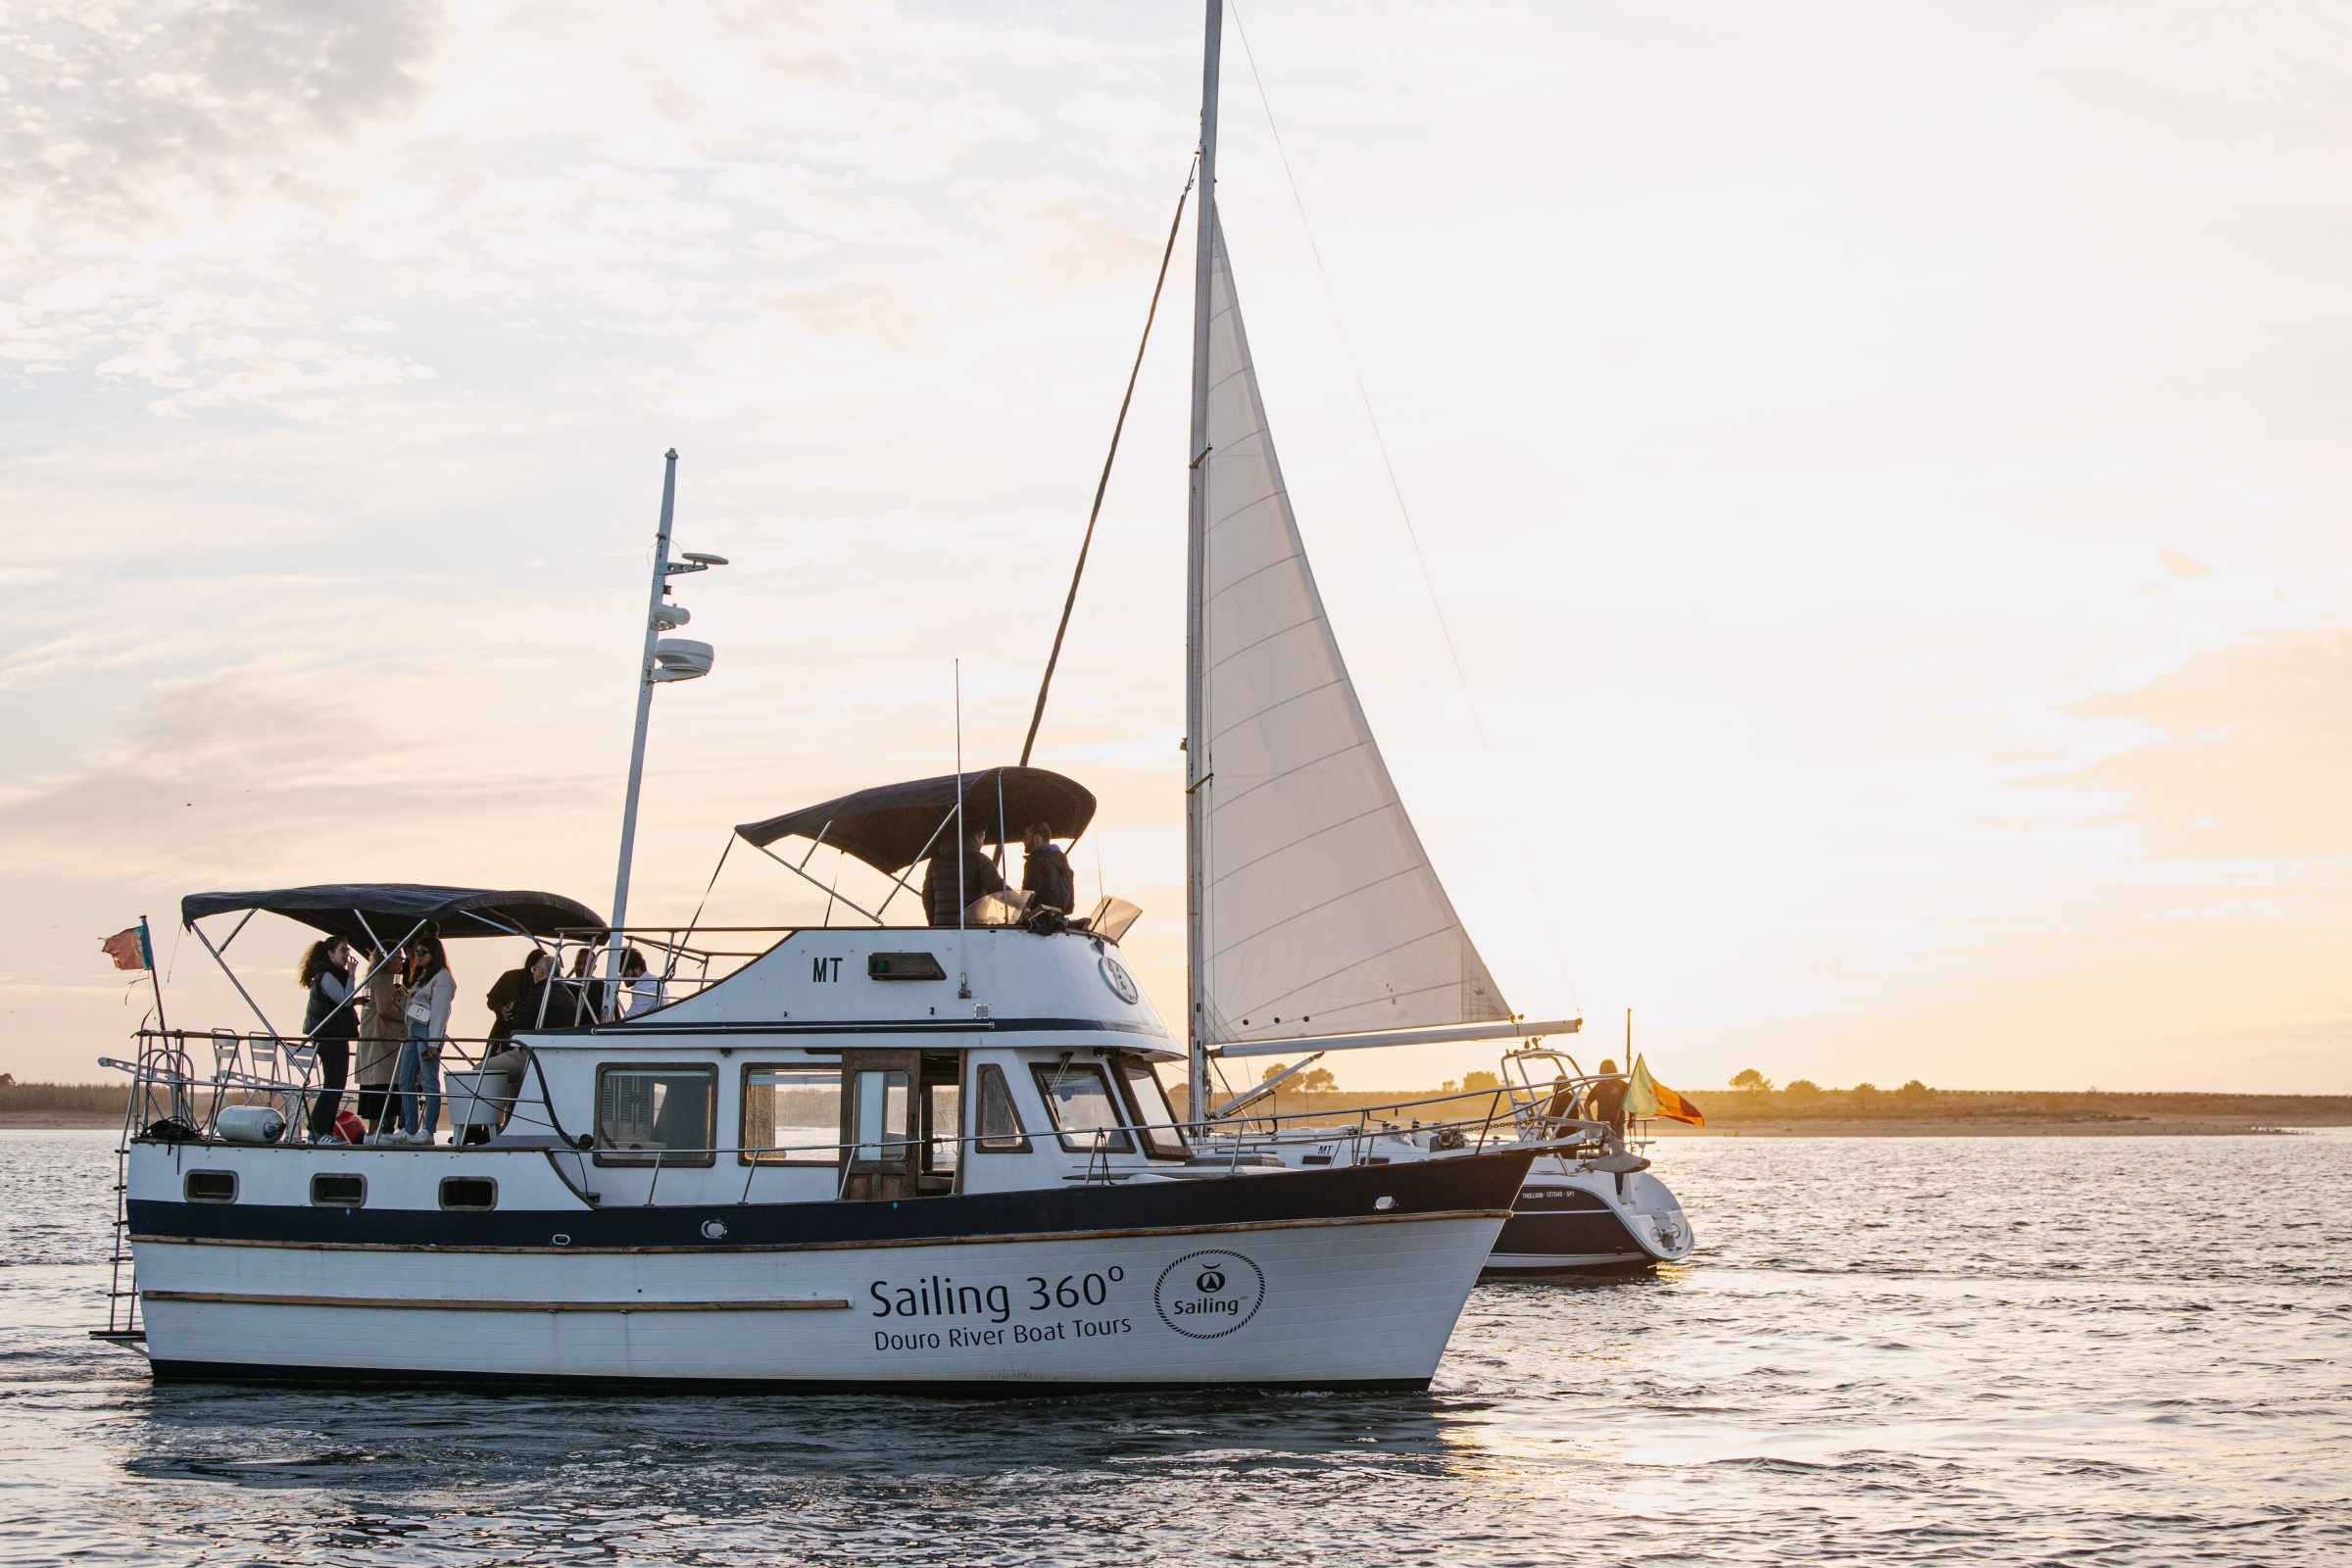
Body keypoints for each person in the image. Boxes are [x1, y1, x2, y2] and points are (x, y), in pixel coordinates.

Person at [391, 937, 455, 1145]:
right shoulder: (422, 976)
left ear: (434, 954)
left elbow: (440, 1012)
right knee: (405, 1078)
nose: (417, 956)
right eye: (416, 952)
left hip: (428, 1031)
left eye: (422, 952)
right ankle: (409, 1128)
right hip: (413, 1030)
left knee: (429, 1080)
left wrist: (434, 1044)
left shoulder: (442, 978)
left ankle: (428, 1130)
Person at [296, 938, 359, 1142]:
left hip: (334, 1036)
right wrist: (352, 975)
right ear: (330, 954)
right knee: (333, 1084)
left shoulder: (330, 975)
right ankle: (318, 1131)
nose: (347, 954)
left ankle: (324, 1130)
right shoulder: (327, 976)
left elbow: (340, 1001)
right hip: (330, 1038)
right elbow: (345, 1000)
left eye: (348, 949)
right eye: (342, 950)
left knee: (336, 1084)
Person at [354, 945, 406, 1142]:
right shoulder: (383, 979)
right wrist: (409, 1017)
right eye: (399, 957)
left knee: (378, 1086)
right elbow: (386, 1009)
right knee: (384, 1087)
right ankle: (377, 1133)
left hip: (373, 1043)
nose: (403, 961)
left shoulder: (372, 978)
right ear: (388, 958)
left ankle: (377, 1131)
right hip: (384, 1043)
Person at [922, 824, 1004, 927]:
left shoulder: (935, 862)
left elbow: (927, 896)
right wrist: (1022, 903)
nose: (982, 843)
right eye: (983, 837)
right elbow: (998, 889)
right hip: (970, 928)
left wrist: (933, 922)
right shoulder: (980, 860)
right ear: (976, 837)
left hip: (941, 927)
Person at [1020, 822, 1075, 914]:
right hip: (1058, 924)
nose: (1023, 840)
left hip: (1038, 924)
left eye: (1026, 836)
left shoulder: (1035, 862)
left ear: (1037, 838)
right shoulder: (1064, 864)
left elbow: (1026, 899)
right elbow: (1069, 908)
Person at [1588, 1057, 1630, 1139]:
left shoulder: (1623, 1085)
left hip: (1617, 1126)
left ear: (1613, 1070)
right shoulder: (1598, 1086)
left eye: (1608, 1069)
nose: (1605, 1071)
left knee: (1618, 1150)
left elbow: (1632, 1103)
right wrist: (1592, 1121)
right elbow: (1586, 1105)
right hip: (1602, 1125)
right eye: (1603, 1069)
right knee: (1603, 1150)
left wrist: (1631, 1120)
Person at [566, 945, 608, 1022]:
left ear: (594, 967)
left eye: (586, 964)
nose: (581, 967)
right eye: (578, 963)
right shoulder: (566, 986)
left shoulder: (603, 987)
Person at [620, 947, 665, 1015]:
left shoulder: (644, 987)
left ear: (637, 968)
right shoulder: (654, 980)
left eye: (624, 972)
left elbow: (631, 1018)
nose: (622, 977)